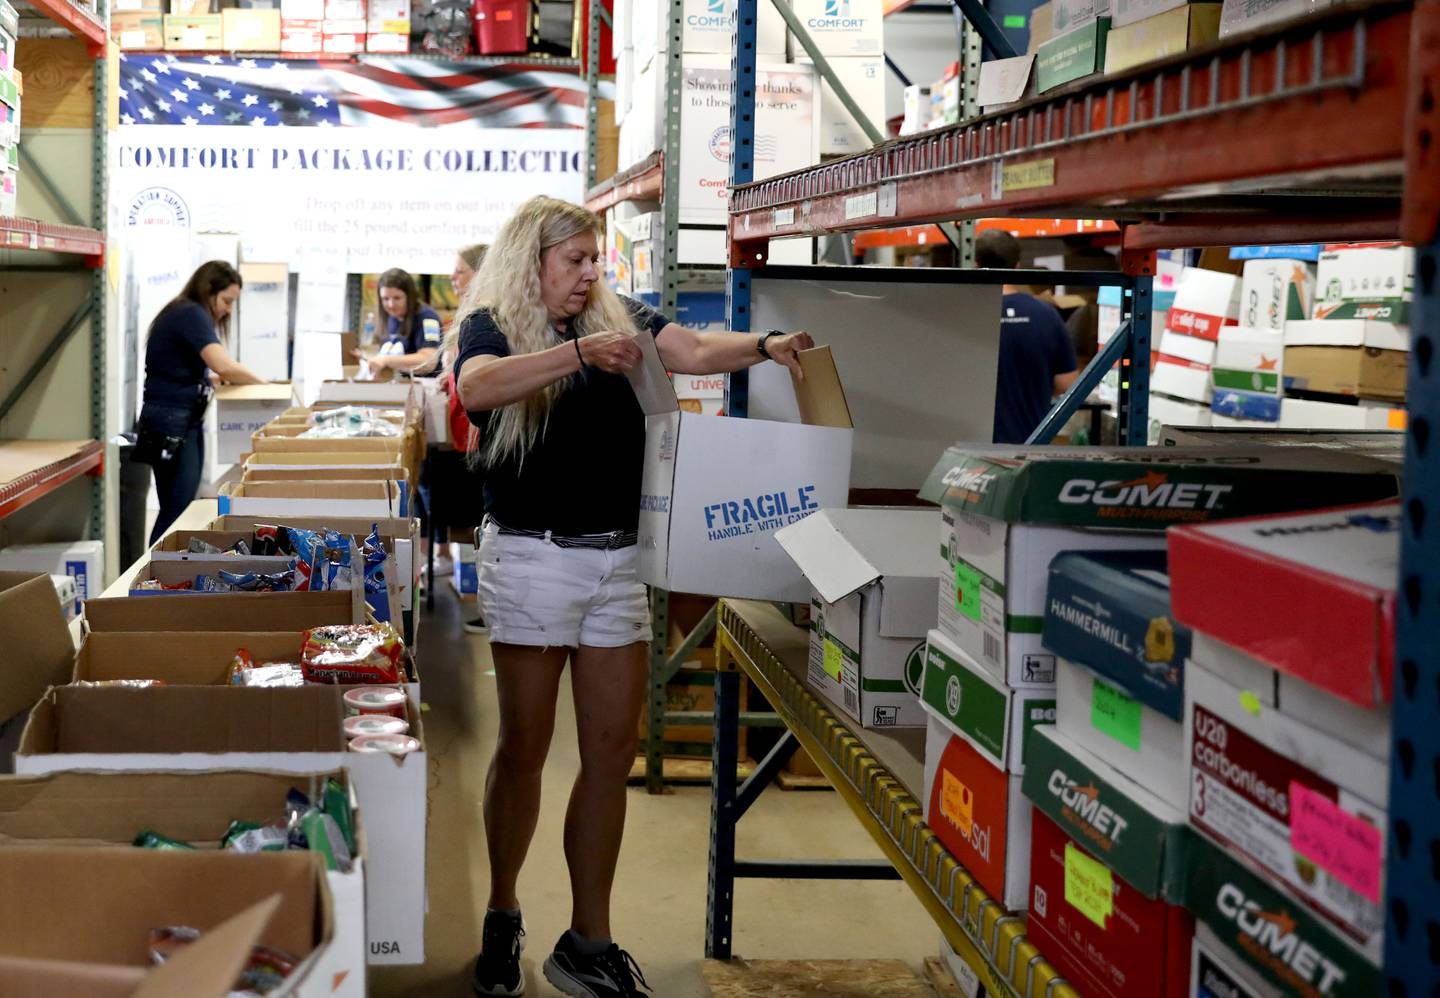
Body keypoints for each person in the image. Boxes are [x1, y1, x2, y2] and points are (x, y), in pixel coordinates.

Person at [454, 196, 814, 998]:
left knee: (611, 753)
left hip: (618, 562)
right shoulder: (493, 325)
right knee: (523, 748)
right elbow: (478, 390)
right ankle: (503, 910)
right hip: (532, 556)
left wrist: (764, 344)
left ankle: (588, 939)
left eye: (594, 258)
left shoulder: (623, 317)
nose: (589, 273)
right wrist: (581, 355)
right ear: (532, 260)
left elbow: (685, 346)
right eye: (574, 260)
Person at [138, 260, 267, 545]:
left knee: (177, 505)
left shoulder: (181, 311)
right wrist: (267, 387)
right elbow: (225, 366)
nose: (228, 310)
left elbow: (179, 369)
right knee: (177, 509)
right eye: (227, 301)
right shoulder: (190, 314)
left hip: (174, 421)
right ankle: (154, 573)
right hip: (173, 424)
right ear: (209, 290)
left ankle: (161, 568)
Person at [976, 229, 1080, 444]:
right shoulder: (1046, 315)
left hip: (970, 448)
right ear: (1017, 266)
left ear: (975, 265)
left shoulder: (965, 314)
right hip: (1030, 446)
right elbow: (1067, 384)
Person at [441, 243, 489, 633]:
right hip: (464, 435)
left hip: (479, 437)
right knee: (474, 524)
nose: (454, 279)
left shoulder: (488, 318)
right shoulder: (471, 317)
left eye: (460, 272)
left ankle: (489, 608)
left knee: (482, 523)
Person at [354, 267, 443, 376]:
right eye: (385, 299)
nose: (391, 305)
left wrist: (386, 360)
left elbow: (429, 360)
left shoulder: (428, 318)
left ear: (409, 296)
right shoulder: (389, 318)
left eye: (397, 298)